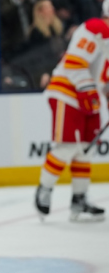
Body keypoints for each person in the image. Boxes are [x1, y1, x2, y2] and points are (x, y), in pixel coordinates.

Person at [35, 0, 109, 222]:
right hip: (68, 92)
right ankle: (44, 190)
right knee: (67, 146)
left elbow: (103, 77)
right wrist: (89, 94)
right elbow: (75, 63)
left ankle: (79, 198)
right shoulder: (96, 28)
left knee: (85, 150)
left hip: (88, 95)